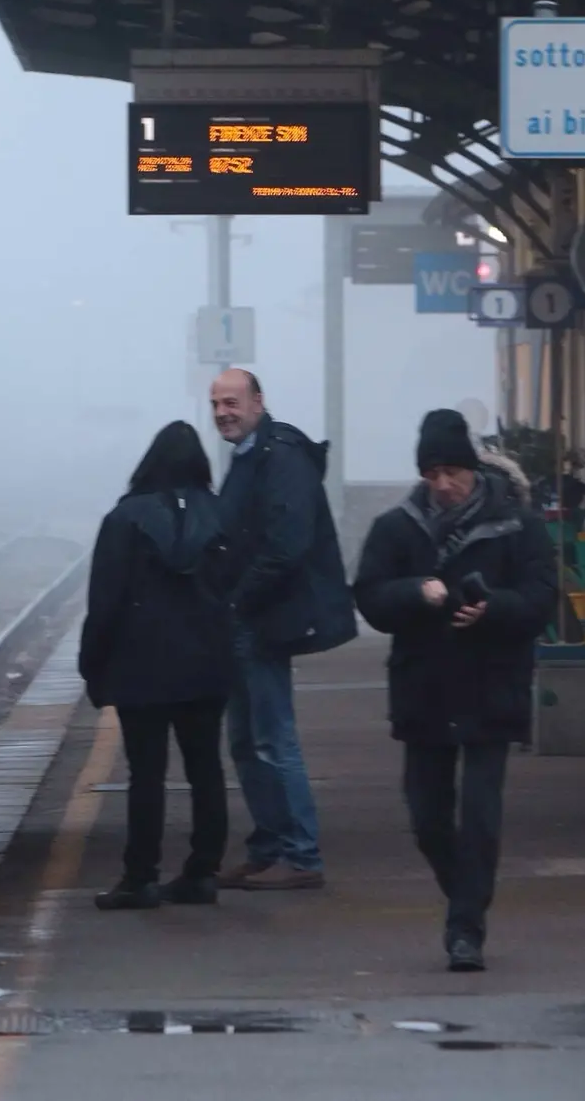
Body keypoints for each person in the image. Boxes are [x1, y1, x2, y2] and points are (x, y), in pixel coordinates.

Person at [352, 409, 559, 972]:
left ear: (473, 469)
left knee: (481, 810)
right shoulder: (397, 529)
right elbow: (370, 596)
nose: (442, 485)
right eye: (432, 473)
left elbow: (541, 599)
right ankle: (465, 895)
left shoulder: (518, 526)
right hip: (424, 689)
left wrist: (492, 610)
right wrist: (416, 592)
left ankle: (466, 929)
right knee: (427, 816)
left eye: (453, 472)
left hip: (492, 686)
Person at [206, 368, 356, 892]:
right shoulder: (249, 457)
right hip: (246, 620)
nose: (224, 412)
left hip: (265, 619)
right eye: (216, 404)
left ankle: (302, 855)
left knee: (274, 739)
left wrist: (237, 599)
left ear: (258, 402)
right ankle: (269, 846)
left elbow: (286, 545)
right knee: (246, 741)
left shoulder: (280, 457)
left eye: (232, 402)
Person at [77, 421, 235, 910]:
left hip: (140, 664)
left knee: (146, 772)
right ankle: (203, 871)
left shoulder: (125, 520)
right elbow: (236, 587)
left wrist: (92, 665)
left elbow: (105, 601)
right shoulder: (222, 515)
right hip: (208, 662)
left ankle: (140, 876)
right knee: (206, 766)